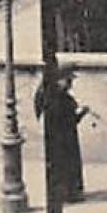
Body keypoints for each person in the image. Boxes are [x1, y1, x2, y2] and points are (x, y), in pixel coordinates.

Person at [34, 69, 90, 204]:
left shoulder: (47, 94)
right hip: (65, 138)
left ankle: (62, 193)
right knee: (68, 166)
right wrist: (81, 113)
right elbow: (70, 119)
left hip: (55, 138)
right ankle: (71, 194)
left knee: (58, 167)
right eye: (68, 81)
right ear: (59, 80)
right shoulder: (60, 98)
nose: (70, 84)